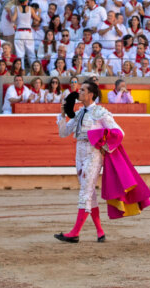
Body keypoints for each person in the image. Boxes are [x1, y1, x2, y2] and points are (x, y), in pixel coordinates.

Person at [54, 80, 121, 243]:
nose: (79, 92)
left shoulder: (100, 112)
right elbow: (63, 132)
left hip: (93, 154)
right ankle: (100, 232)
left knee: (85, 192)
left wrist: (104, 146)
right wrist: (62, 114)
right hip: (79, 153)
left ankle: (75, 233)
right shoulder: (79, 113)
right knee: (90, 193)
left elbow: (118, 132)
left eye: (83, 90)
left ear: (91, 94)